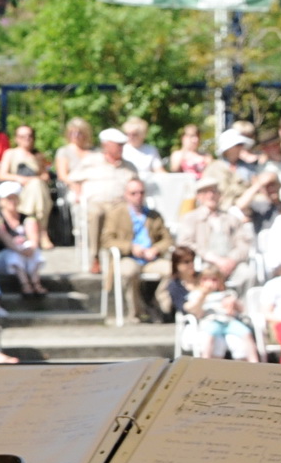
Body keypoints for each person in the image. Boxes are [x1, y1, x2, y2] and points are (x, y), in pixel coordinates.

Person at [95, 178, 171, 323]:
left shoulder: (153, 215)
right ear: (126, 195)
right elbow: (106, 240)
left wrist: (155, 249)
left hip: (151, 259)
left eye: (141, 192)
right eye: (133, 193)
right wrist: (131, 247)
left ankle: (157, 304)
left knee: (173, 269)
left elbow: (167, 239)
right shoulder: (116, 214)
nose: (138, 196)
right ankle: (137, 311)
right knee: (129, 271)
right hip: (127, 257)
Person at [72, 129, 139, 271]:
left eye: (122, 145)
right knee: (95, 213)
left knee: (126, 214)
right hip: (97, 202)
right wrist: (78, 193)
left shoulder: (129, 166)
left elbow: (136, 185)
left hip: (120, 204)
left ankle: (123, 255)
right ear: (106, 145)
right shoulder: (91, 161)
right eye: (118, 145)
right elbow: (73, 179)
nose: (121, 148)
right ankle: (95, 256)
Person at [177, 175, 258, 291]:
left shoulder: (231, 218)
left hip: (232, 263)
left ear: (219, 195)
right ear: (199, 196)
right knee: (208, 279)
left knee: (248, 274)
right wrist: (212, 257)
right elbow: (185, 244)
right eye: (206, 192)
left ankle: (240, 302)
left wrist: (231, 260)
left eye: (214, 192)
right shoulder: (191, 218)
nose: (211, 195)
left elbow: (243, 243)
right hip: (206, 263)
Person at [0, 123, 53, 237]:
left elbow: (45, 176)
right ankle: (42, 231)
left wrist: (33, 179)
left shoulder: (38, 155)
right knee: (36, 186)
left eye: (29, 136)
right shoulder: (10, 153)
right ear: (16, 138)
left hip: (36, 189)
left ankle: (37, 228)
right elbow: (2, 175)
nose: (27, 139)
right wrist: (20, 178)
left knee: (36, 185)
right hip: (18, 190)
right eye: (23, 136)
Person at [0, 181, 47, 295]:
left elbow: (33, 239)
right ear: (1, 201)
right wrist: (20, 250)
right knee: (13, 252)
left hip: (25, 258)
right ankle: (25, 284)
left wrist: (29, 248)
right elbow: (6, 239)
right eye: (8, 198)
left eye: (14, 198)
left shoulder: (27, 218)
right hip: (3, 259)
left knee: (32, 249)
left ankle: (36, 282)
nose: (12, 201)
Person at [191, 277, 261, 362]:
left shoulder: (228, 293)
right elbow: (194, 312)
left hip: (229, 321)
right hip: (212, 321)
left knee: (246, 333)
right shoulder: (198, 294)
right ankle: (204, 362)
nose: (211, 283)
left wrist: (233, 303)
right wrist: (203, 295)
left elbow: (242, 310)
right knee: (209, 337)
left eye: (214, 279)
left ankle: (254, 363)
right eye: (206, 279)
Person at [205, 127, 256, 209]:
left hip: (249, 206)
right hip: (223, 208)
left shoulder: (247, 166)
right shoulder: (215, 168)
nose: (241, 147)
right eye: (238, 145)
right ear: (228, 149)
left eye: (241, 144)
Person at [155, 246, 200, 320]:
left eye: (192, 260)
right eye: (186, 262)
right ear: (176, 264)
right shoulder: (175, 285)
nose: (191, 264)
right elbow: (183, 308)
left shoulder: (204, 278)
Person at [54, 117, 95, 186]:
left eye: (79, 133)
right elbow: (62, 175)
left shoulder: (94, 151)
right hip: (73, 186)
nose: (75, 135)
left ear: (85, 134)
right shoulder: (64, 151)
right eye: (72, 133)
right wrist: (74, 185)